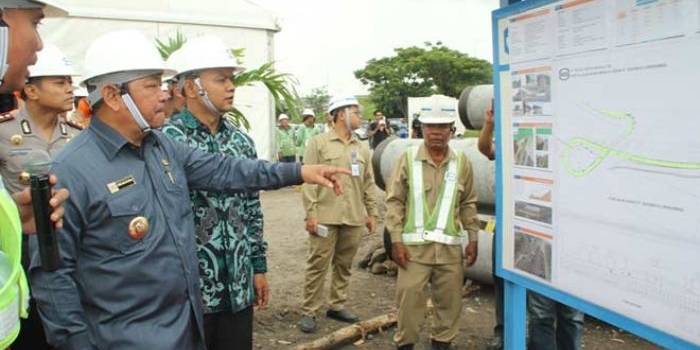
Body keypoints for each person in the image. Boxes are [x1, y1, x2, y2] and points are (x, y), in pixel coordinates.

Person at [28, 29, 350, 350]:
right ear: (113, 96)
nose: (165, 94)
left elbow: (227, 170)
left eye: (163, 84)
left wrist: (300, 171)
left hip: (185, 332)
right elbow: (53, 277)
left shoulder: (162, 147)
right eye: (152, 85)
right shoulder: (71, 172)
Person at [161, 35, 266, 350]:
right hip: (188, 294)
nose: (231, 86)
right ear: (192, 88)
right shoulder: (165, 142)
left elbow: (252, 209)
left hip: (237, 289)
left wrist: (258, 267)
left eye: (232, 79)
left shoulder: (241, 142)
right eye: (221, 79)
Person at [478, 107, 584, 350]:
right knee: (539, 309)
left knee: (571, 314)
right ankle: (504, 335)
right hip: (528, 234)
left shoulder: (569, 150)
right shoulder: (515, 145)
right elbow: (485, 149)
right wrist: (489, 123)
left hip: (568, 237)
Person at [0, 42, 82, 349]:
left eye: (70, 82)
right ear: (31, 91)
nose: (69, 89)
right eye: (59, 82)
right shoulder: (5, 132)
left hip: (65, 248)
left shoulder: (77, 135)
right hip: (19, 251)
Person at [386, 101, 479, 350]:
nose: (436, 132)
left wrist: (474, 239)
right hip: (414, 251)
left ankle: (442, 344)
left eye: (442, 127)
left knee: (449, 305)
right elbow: (394, 201)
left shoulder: (462, 162)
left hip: (449, 251)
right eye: (430, 127)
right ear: (421, 129)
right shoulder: (407, 159)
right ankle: (405, 344)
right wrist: (395, 240)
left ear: (451, 130)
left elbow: (469, 201)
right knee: (408, 302)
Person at [298, 95, 378, 333]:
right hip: (325, 215)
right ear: (340, 114)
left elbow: (368, 182)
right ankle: (309, 310)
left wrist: (371, 212)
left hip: (353, 216)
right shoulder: (318, 143)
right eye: (355, 111)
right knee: (318, 263)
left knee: (344, 264)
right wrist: (310, 213)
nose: (360, 116)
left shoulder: (361, 147)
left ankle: (337, 305)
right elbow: (308, 181)